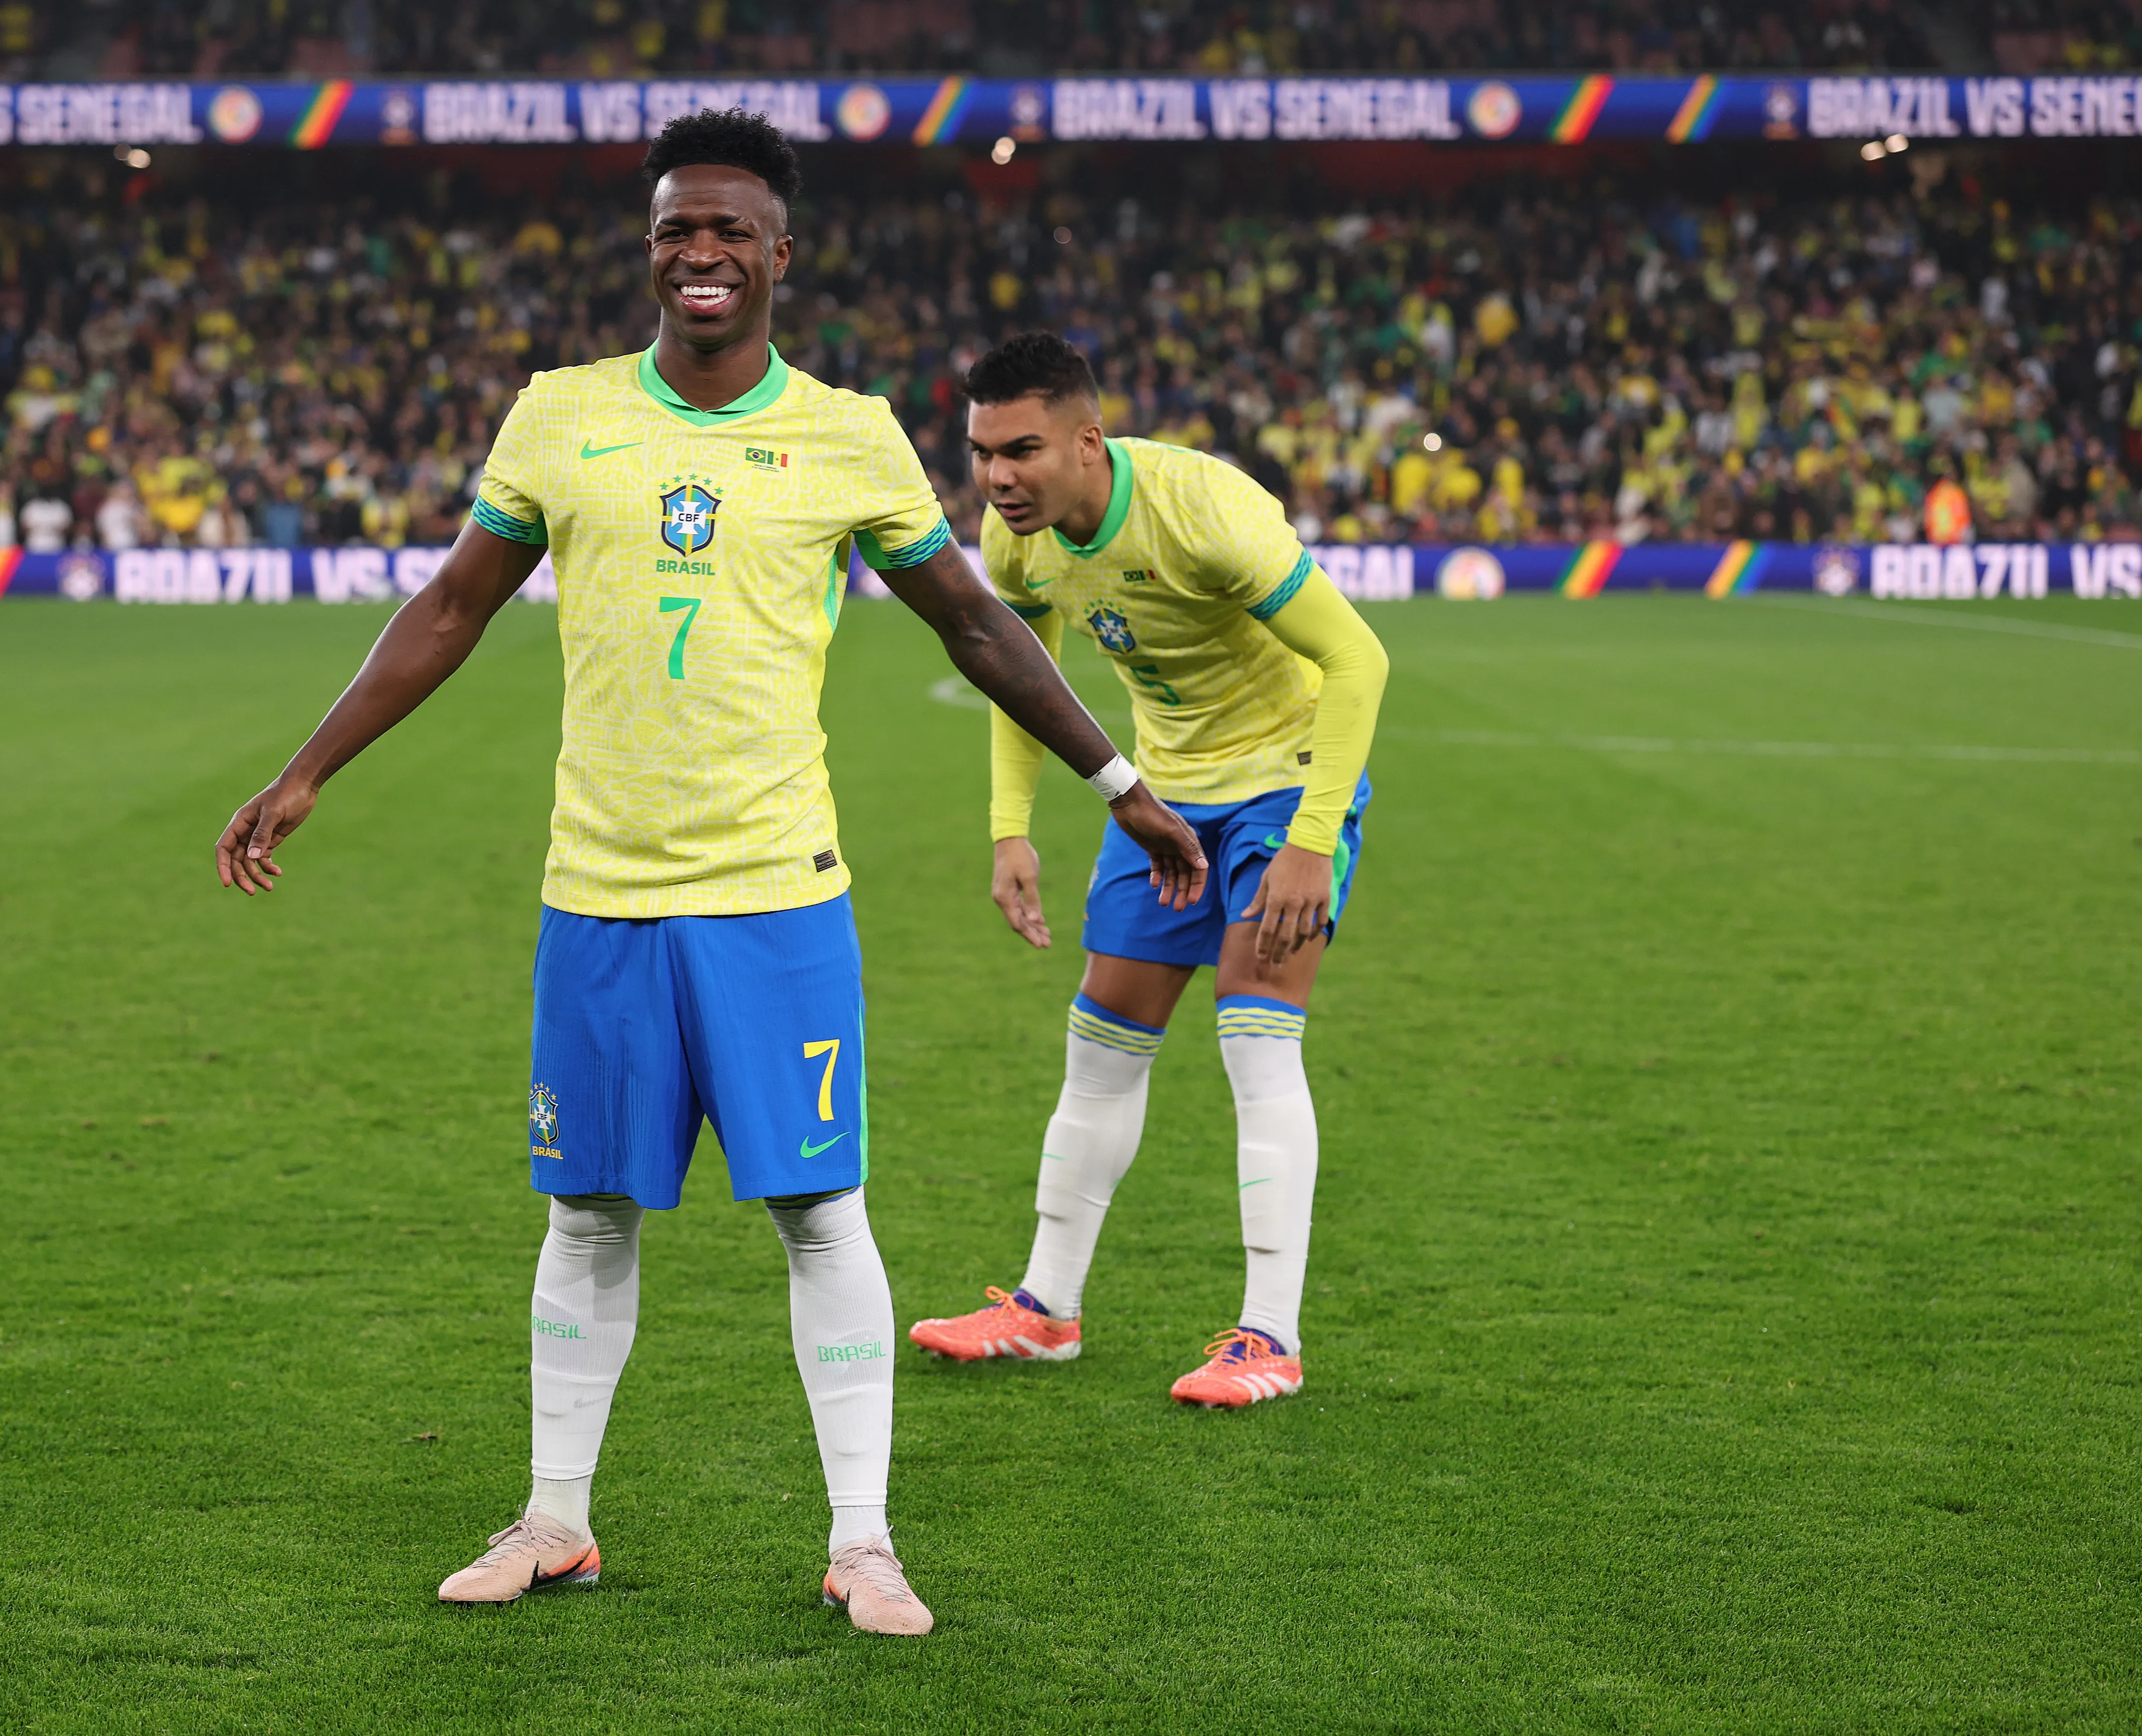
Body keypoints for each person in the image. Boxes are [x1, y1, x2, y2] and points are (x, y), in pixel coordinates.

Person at [213, 115, 1206, 1635]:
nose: (699, 252)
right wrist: (305, 770)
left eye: (729, 230)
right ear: (649, 246)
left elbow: (975, 624)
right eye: (676, 227)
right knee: (585, 1214)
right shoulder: (559, 415)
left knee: (818, 1211)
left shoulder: (847, 433)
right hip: (597, 887)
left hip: (773, 891)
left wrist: (1117, 785)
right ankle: (555, 1520)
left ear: (777, 255)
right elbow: (451, 605)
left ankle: (862, 1542)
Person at [908, 331, 1389, 1409]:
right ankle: (1045, 1311)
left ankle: (1269, 1338)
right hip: (1163, 800)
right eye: (982, 453)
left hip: (1286, 785)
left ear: (1087, 441)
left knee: (1254, 1039)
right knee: (1099, 1048)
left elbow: (1358, 656)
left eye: (1021, 450)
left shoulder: (1202, 510)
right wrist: (1010, 828)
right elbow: (1018, 674)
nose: (997, 477)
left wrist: (1312, 840)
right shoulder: (1017, 543)